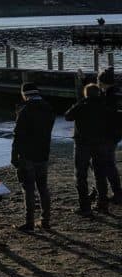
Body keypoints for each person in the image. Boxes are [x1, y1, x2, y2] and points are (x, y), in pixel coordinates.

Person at [11, 82, 55, 232]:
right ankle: (45, 220)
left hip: (27, 155)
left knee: (28, 189)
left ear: (25, 94)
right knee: (43, 188)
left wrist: (13, 155)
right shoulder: (48, 108)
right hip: (43, 153)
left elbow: (17, 135)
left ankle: (29, 222)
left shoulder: (25, 110)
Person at [65, 83, 113, 216]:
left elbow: (68, 116)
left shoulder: (82, 106)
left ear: (86, 94)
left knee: (81, 175)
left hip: (82, 144)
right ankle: (102, 203)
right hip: (100, 143)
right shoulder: (104, 107)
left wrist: (81, 101)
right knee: (100, 174)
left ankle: (85, 207)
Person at [97, 67, 122, 204]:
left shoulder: (108, 96)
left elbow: (104, 114)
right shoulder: (116, 93)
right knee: (109, 163)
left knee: (107, 164)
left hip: (108, 134)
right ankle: (116, 191)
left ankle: (117, 192)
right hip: (116, 133)